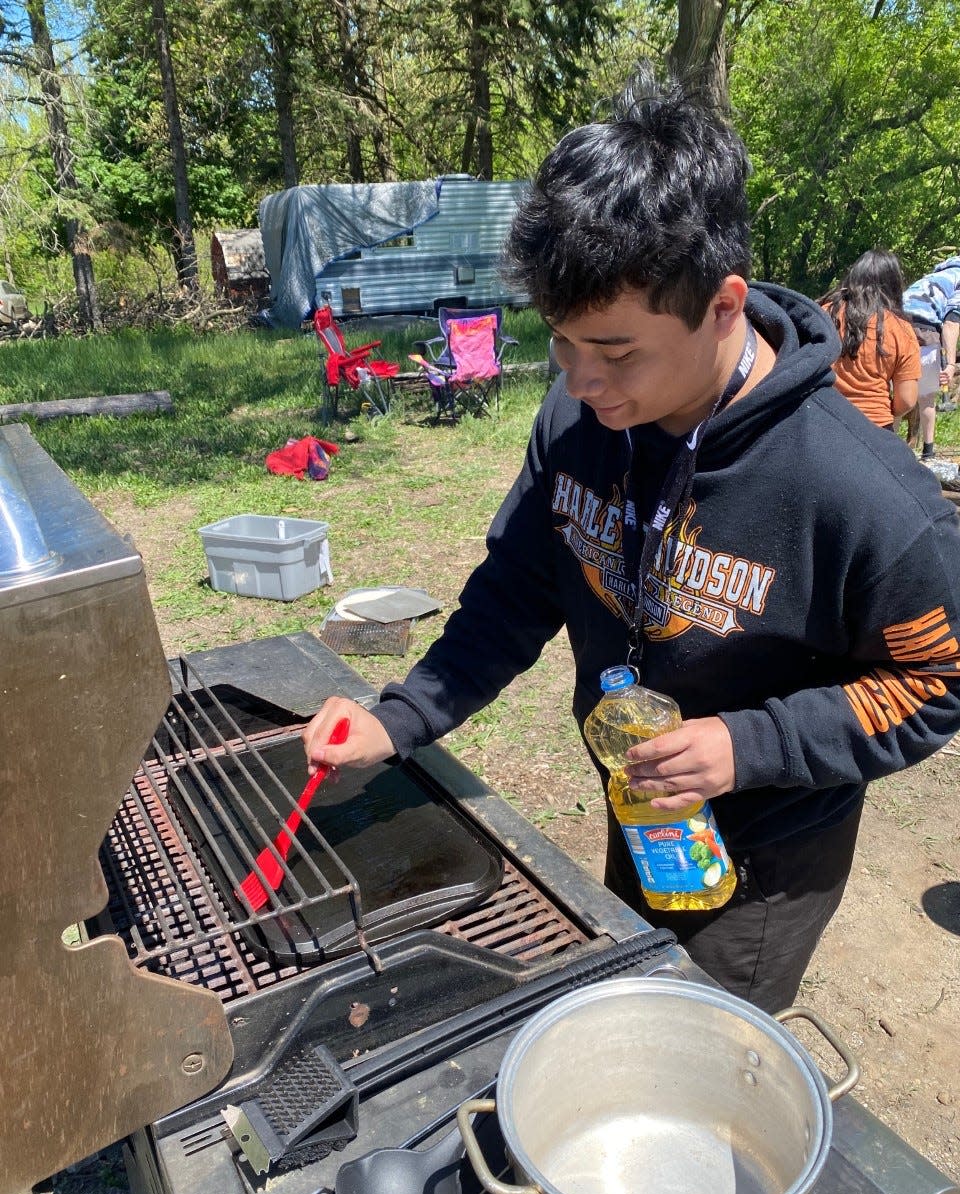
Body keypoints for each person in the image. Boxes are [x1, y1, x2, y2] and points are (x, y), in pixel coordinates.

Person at [302, 66, 960, 1015]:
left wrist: (748, 745)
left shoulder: (864, 494)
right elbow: (518, 589)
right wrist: (396, 720)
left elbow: (938, 685)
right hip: (640, 793)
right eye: (562, 343)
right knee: (634, 985)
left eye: (615, 352)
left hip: (764, 843)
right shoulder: (576, 422)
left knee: (697, 1038)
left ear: (724, 306)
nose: (581, 381)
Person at [821, 250, 920, 430]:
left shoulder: (823, 315)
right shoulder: (901, 329)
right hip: (876, 428)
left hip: (823, 423)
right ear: (894, 285)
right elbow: (906, 400)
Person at [901, 255, 960, 457]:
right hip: (924, 331)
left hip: (894, 327)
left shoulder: (931, 277)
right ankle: (928, 454)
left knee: (897, 396)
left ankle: (885, 451)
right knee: (926, 397)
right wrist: (950, 365)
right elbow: (951, 325)